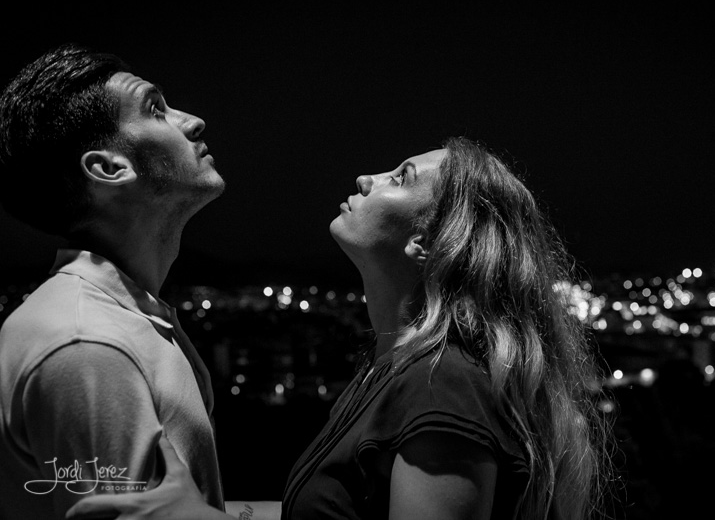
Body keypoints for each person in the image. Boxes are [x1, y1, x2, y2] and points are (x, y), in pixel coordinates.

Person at [68, 137, 616, 520]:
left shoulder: (444, 385)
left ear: (430, 242)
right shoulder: (392, 372)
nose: (366, 177)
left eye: (400, 177)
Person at [0, 44, 227, 519]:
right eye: (156, 109)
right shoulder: (88, 344)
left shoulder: (126, 314)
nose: (193, 121)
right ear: (109, 168)